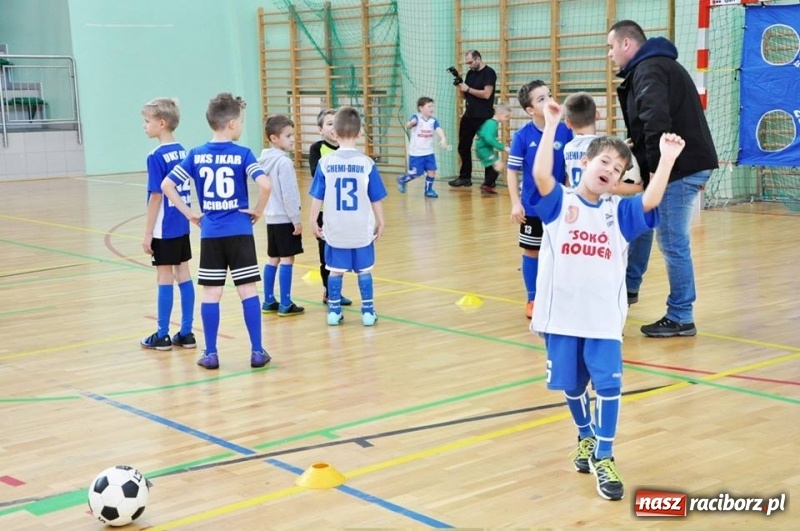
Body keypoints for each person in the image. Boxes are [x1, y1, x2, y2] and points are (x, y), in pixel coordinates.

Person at [532, 99, 686, 501]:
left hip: (602, 320)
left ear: (620, 179)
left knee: (610, 387)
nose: (609, 170)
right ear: (586, 161)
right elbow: (540, 174)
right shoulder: (559, 203)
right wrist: (551, 125)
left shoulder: (619, 212)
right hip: (561, 316)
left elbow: (651, 200)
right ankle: (584, 436)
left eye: (617, 169)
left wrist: (667, 158)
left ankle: (605, 454)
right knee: (573, 385)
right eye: (604, 162)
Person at [607, 20, 718, 337]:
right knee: (642, 225)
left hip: (675, 168)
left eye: (611, 47)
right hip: (680, 164)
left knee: (672, 242)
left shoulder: (650, 69)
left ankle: (681, 315)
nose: (610, 54)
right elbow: (650, 123)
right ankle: (628, 288)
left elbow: (656, 120)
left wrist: (657, 169)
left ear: (627, 44)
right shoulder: (653, 67)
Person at [162, 93, 272, 370]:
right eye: (243, 121)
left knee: (211, 294)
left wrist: (190, 214)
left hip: (210, 233)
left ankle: (210, 353)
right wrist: (258, 210)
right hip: (240, 232)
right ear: (232, 124)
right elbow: (266, 185)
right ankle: (257, 351)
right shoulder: (243, 154)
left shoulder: (196, 155)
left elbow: (167, 185)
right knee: (247, 291)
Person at [308, 106, 388, 327]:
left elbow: (317, 195)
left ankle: (334, 312)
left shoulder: (326, 163)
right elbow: (376, 198)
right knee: (364, 270)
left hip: (336, 228)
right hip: (361, 227)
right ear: (360, 133)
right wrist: (381, 221)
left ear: (334, 133)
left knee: (335, 270)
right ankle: (368, 312)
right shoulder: (366, 164)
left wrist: (313, 219)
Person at [506, 80, 573, 319]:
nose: (549, 101)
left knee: (562, 252)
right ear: (530, 110)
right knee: (531, 251)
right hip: (533, 207)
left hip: (561, 206)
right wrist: (516, 202)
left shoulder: (566, 129)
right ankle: (533, 298)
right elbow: (512, 171)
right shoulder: (523, 136)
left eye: (550, 95)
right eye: (541, 99)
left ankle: (560, 297)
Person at [139, 98, 195, 351]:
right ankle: (186, 332)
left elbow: (156, 196)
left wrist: (148, 232)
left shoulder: (155, 156)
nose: (144, 126)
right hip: (181, 224)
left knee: (164, 277)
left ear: (162, 124)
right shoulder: (183, 150)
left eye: (147, 121)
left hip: (164, 226)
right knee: (183, 273)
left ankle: (162, 334)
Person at [257, 114, 304, 317]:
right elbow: (289, 193)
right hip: (285, 218)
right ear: (274, 138)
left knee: (273, 258)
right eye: (288, 135)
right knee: (287, 259)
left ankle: (269, 300)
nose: (292, 139)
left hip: (271, 217)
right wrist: (296, 219)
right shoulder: (283, 162)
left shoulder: (263, 160)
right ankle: (285, 302)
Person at [308, 109, 353, 308]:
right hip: (325, 213)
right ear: (320, 130)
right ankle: (329, 292)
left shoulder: (348, 149)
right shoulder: (317, 149)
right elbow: (316, 177)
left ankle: (337, 291)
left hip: (345, 212)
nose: (333, 127)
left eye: (336, 123)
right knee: (326, 255)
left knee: (341, 254)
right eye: (328, 123)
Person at [563, 92, 643, 196]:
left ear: (567, 123)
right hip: (597, 206)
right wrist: (640, 187)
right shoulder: (600, 147)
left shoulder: (567, 148)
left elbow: (569, 181)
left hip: (578, 203)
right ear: (597, 115)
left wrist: (618, 148)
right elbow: (611, 187)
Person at [449, 50, 497, 188]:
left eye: (470, 62)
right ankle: (465, 177)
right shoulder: (470, 73)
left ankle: (490, 181)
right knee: (463, 146)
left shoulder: (489, 73)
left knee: (486, 148)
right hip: (470, 114)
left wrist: (468, 88)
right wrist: (460, 87)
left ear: (478, 59)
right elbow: (465, 96)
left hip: (484, 116)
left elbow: (487, 94)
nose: (469, 65)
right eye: (467, 63)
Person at [396, 96, 447, 198]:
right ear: (421, 108)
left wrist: (443, 138)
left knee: (432, 171)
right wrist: (410, 124)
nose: (431, 108)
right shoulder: (416, 117)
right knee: (417, 173)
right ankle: (402, 179)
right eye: (429, 106)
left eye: (432, 106)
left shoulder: (433, 121)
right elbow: (409, 124)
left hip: (429, 152)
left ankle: (428, 190)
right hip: (416, 153)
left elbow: (438, 129)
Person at [474, 103, 511, 194]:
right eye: (506, 116)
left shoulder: (491, 122)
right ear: (500, 114)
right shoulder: (491, 123)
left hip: (485, 149)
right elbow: (489, 139)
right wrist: (503, 148)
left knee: (494, 166)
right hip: (484, 150)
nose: (507, 119)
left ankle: (487, 185)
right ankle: (486, 185)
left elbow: (481, 133)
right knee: (499, 165)